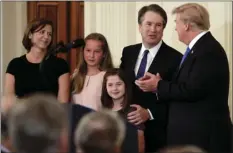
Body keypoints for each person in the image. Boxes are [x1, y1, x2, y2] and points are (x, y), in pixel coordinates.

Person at [135, 3, 232, 153]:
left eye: (176, 23)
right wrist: (160, 82)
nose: (175, 28)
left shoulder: (207, 51)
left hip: (203, 138)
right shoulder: (200, 48)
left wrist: (158, 86)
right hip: (194, 135)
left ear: (186, 25)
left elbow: (192, 90)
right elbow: (189, 85)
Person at [120, 4, 182, 152]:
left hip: (157, 133)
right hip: (126, 128)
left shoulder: (176, 58)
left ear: (163, 28)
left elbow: (178, 97)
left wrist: (149, 113)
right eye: (148, 24)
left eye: (158, 25)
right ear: (140, 26)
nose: (153, 30)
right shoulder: (128, 52)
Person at [4, 18, 70, 103]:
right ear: (30, 35)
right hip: (22, 115)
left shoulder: (60, 65)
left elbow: (63, 102)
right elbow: (9, 99)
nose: (46, 37)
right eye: (42, 32)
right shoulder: (15, 64)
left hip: (51, 115)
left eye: (49, 34)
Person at [101, 68, 145, 153]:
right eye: (110, 85)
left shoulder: (134, 112)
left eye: (119, 84)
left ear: (126, 85)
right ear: (105, 87)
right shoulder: (104, 111)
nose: (114, 88)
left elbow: (140, 145)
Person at [71, 33, 114, 110]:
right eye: (88, 50)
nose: (91, 55)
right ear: (83, 51)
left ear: (104, 54)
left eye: (97, 51)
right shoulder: (76, 75)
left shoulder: (108, 77)